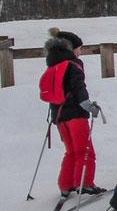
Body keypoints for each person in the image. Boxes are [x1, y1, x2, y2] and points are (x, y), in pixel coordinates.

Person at [41, 28, 102, 198]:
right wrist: (90, 107)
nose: (81, 51)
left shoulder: (53, 64)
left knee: (71, 151)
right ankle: (84, 183)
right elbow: (79, 88)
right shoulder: (73, 64)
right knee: (85, 150)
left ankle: (66, 184)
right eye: (80, 48)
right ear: (72, 48)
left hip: (59, 116)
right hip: (76, 114)